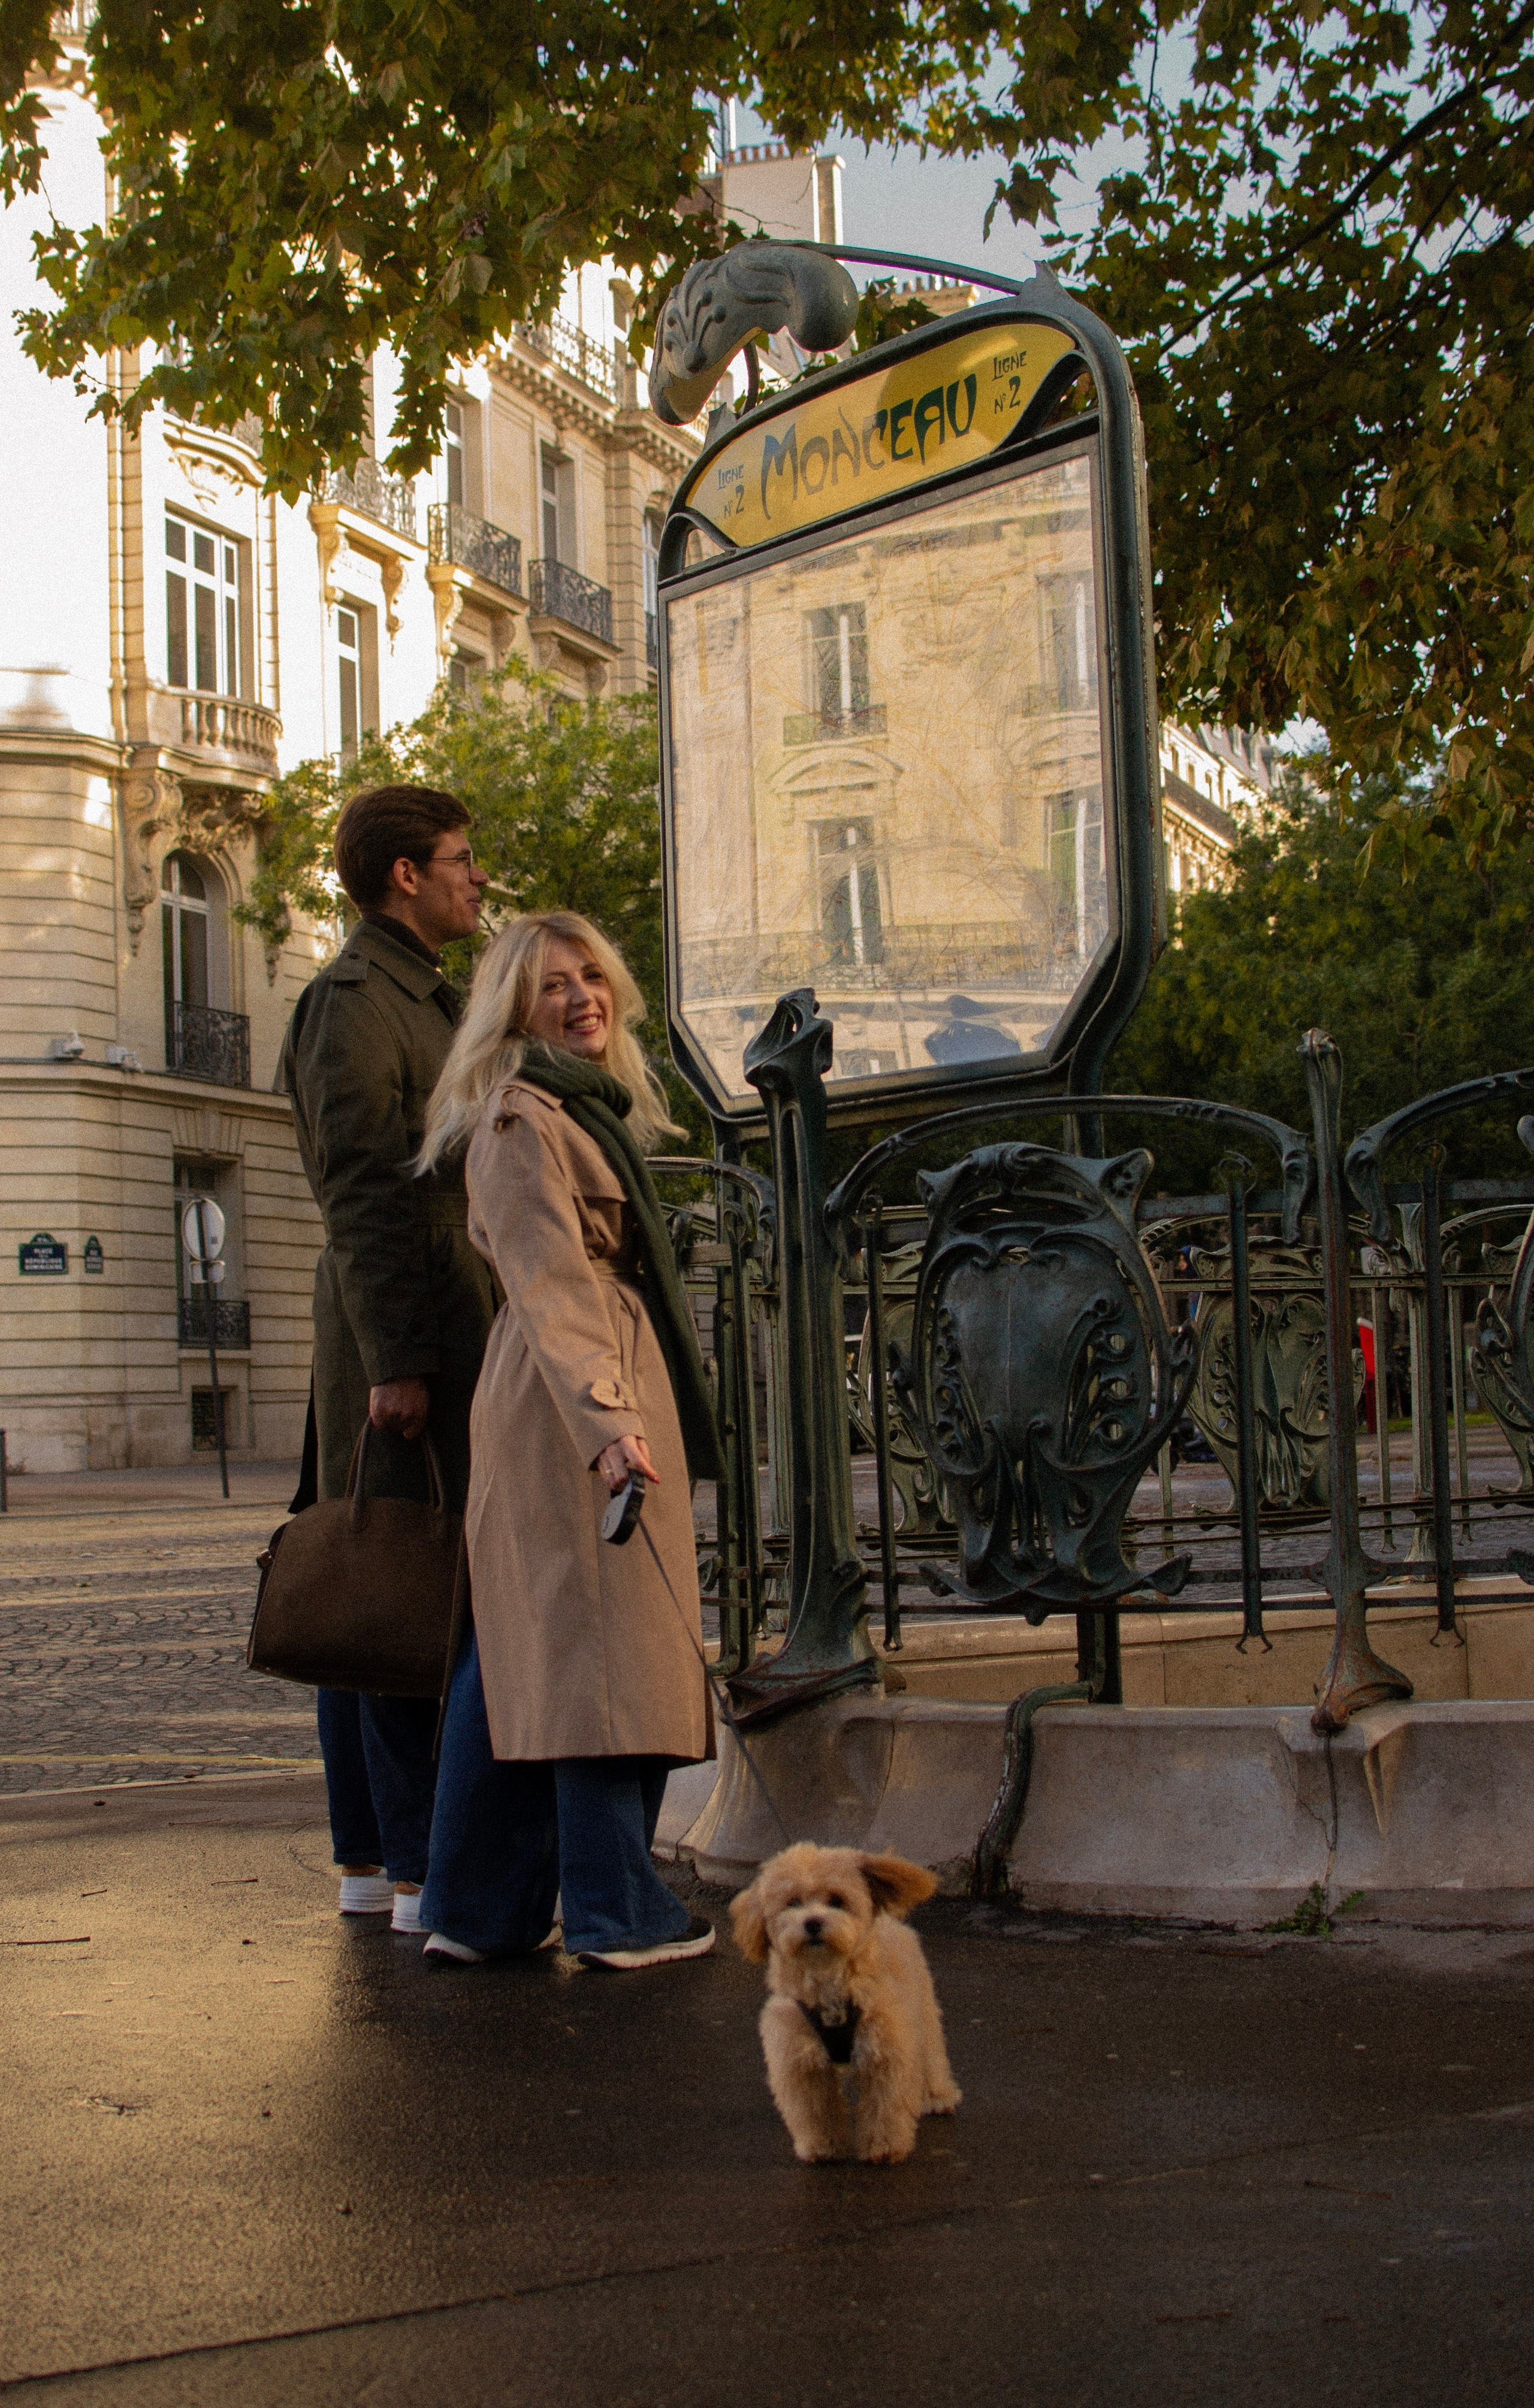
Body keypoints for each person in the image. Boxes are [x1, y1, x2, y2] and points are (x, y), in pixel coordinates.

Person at [413, 909, 725, 1970]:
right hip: (571, 1398)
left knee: (525, 1654)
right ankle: (614, 1910)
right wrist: (609, 1426)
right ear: (516, 1006)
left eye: (592, 976)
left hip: (586, 1384)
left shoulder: (576, 1108)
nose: (584, 996)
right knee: (598, 1656)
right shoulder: (520, 1116)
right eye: (554, 984)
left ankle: (478, 1909)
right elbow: (550, 1283)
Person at [279, 785, 498, 1932]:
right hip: (400, 1342)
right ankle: (413, 1865)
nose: (477, 876)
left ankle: (374, 1855)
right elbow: (363, 1192)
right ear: (404, 876)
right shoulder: (356, 1000)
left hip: (429, 1330)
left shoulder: (425, 995)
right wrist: (398, 1360)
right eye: (461, 860)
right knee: (397, 1586)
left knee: (379, 1584)